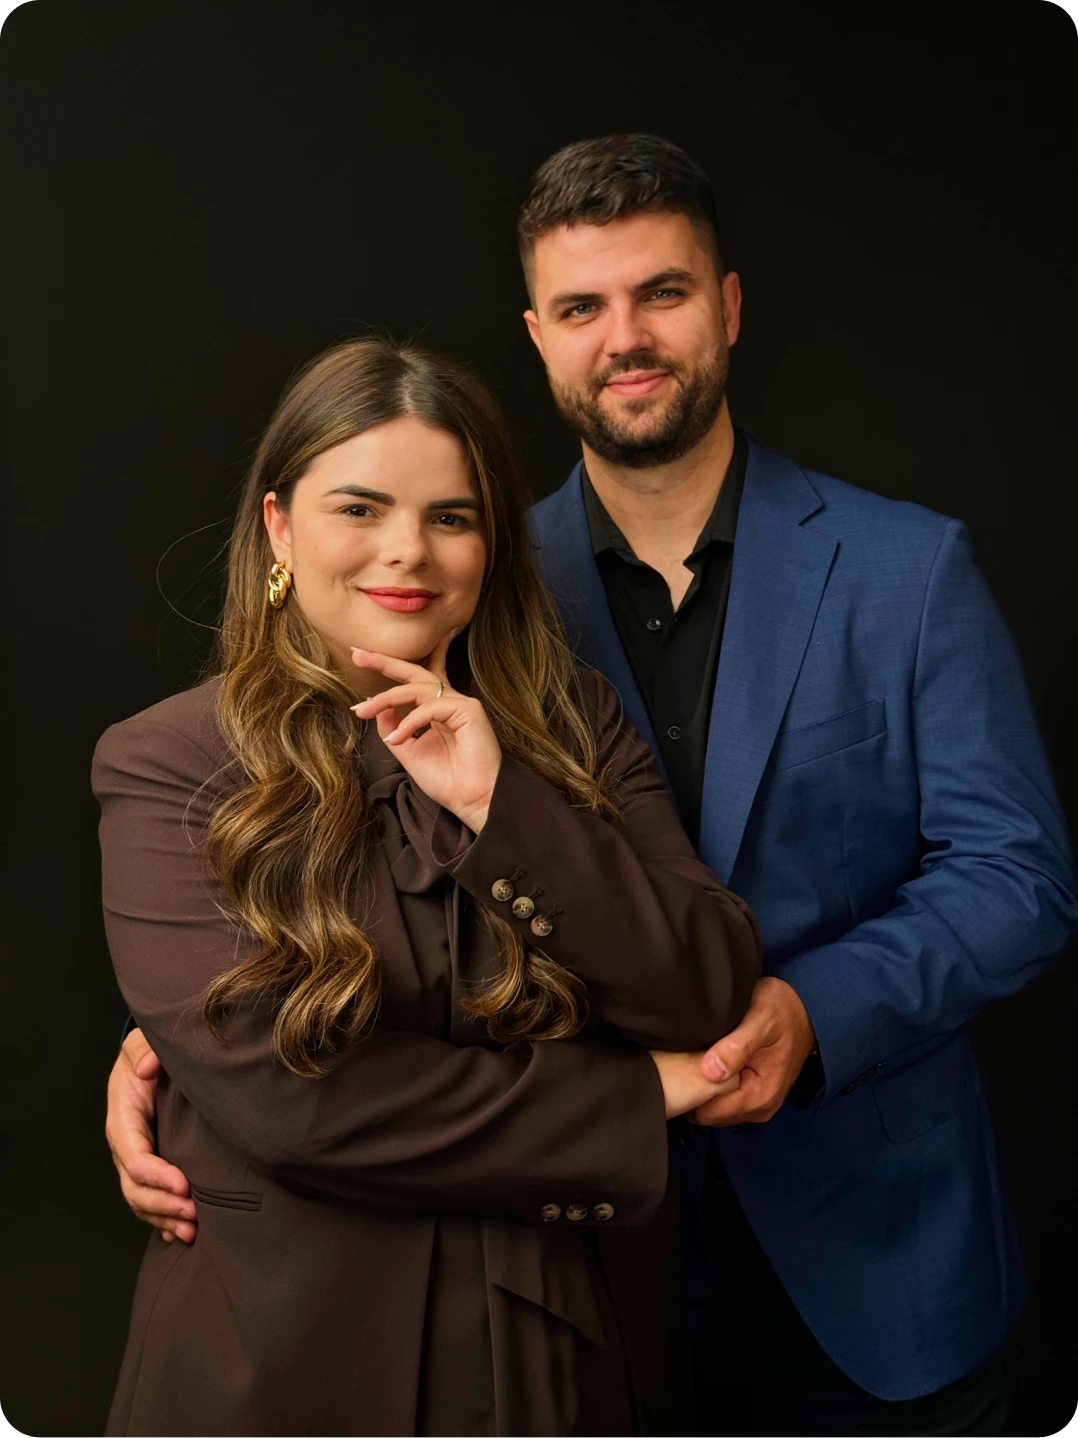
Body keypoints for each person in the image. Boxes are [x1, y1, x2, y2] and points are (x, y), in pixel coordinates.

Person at [107, 135, 1078, 1436]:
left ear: (726, 305)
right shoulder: (470, 583)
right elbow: (328, 881)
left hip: (857, 1246)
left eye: (660, 293)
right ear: (538, 334)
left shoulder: (905, 569)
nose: (624, 338)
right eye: (580, 307)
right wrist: (179, 1037)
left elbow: (1014, 875)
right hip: (573, 1275)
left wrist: (810, 1012)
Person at [93, 336, 762, 1438]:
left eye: (452, 516)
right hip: (282, 1365)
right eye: (359, 508)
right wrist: (639, 1093)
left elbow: (704, 987)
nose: (407, 549)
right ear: (279, 527)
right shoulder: (169, 762)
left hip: (570, 1356)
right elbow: (295, 1104)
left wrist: (503, 807)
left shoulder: (577, 722)